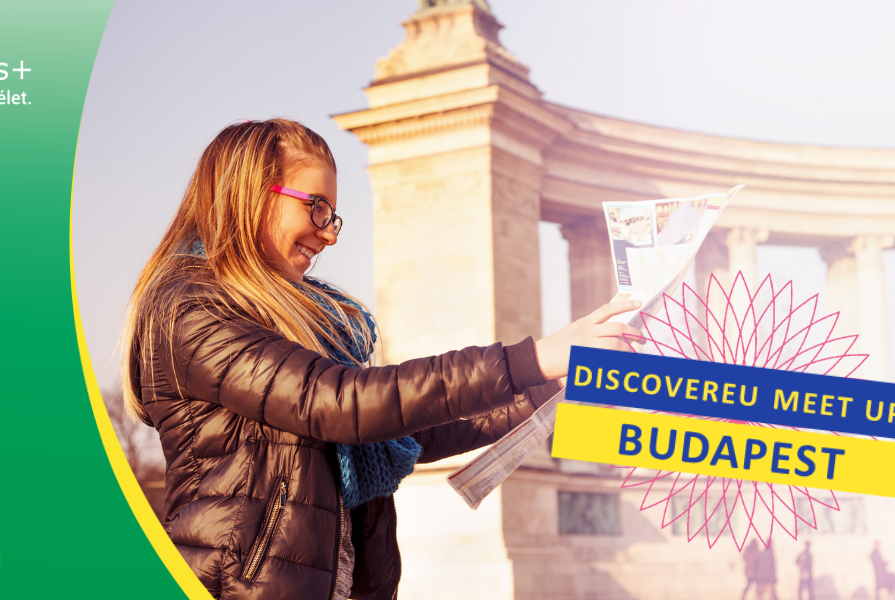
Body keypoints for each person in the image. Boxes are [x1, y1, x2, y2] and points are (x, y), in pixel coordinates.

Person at [118, 119, 643, 600]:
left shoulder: (307, 328)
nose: (328, 234)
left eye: (333, 216)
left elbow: (407, 433)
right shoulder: (190, 307)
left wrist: (551, 385)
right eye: (316, 207)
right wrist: (531, 357)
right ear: (250, 194)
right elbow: (342, 402)